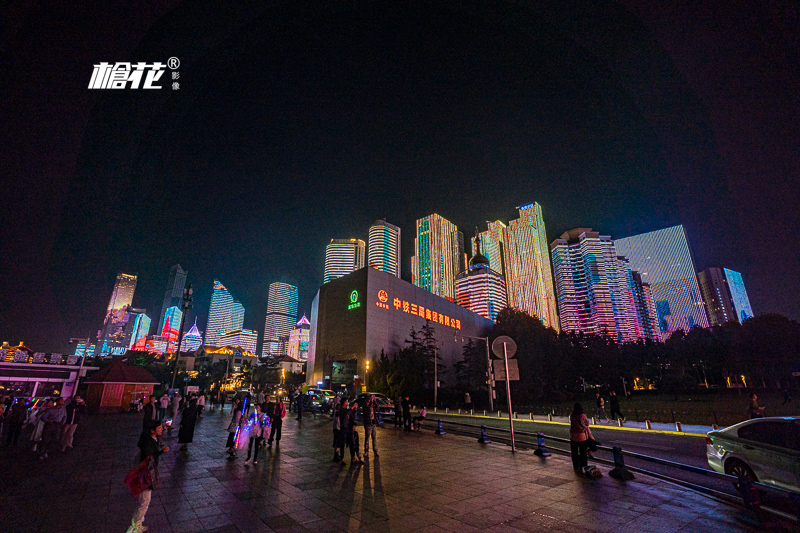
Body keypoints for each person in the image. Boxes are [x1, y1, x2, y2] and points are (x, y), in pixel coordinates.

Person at [127, 420, 169, 533]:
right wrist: (161, 452)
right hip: (145, 474)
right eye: (159, 428)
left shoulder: (151, 438)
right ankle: (136, 527)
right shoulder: (148, 442)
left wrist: (164, 427)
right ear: (152, 431)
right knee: (144, 501)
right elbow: (149, 456)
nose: (161, 430)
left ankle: (137, 523)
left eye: (161, 428)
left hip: (148, 472)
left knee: (143, 502)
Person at [569, 403, 595, 474]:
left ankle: (576, 465)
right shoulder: (583, 416)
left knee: (574, 452)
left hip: (573, 436)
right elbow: (587, 424)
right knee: (583, 452)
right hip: (582, 437)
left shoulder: (572, 416)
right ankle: (583, 466)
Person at [363, 394, 379, 458]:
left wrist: (375, 401)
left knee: (374, 438)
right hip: (368, 423)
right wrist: (372, 402)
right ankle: (366, 451)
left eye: (370, 398)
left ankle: (375, 451)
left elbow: (378, 408)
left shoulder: (372, 404)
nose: (369, 400)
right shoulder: (365, 405)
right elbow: (368, 408)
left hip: (373, 423)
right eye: (368, 398)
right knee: (367, 438)